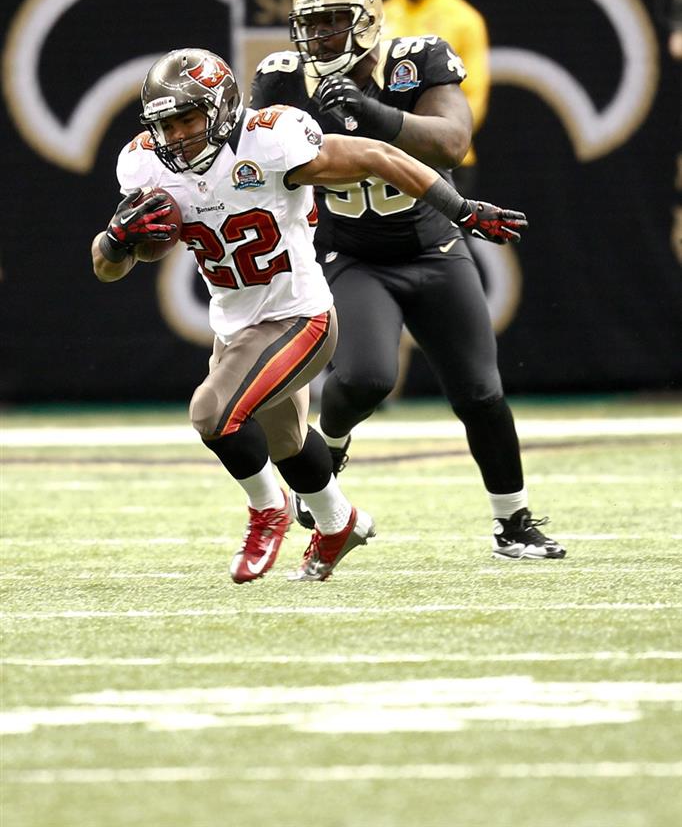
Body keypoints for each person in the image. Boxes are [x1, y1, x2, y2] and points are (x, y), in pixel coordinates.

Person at [91, 47, 529, 583]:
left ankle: (267, 510)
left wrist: (462, 211)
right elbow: (108, 269)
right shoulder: (145, 163)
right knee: (290, 445)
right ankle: (339, 521)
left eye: (189, 118)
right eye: (167, 123)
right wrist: (117, 241)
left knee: (212, 414)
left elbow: (377, 157)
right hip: (234, 324)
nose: (178, 135)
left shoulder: (271, 138)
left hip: (300, 315)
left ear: (223, 107)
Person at [250, 0, 566, 560]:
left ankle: (513, 522)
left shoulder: (416, 58)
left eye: (334, 22)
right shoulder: (282, 79)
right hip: (352, 253)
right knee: (367, 377)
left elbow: (452, 142)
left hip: (435, 248)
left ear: (368, 20)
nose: (318, 37)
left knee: (479, 393)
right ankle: (334, 440)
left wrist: (375, 114)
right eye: (310, 25)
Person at [383, 0, 490, 196]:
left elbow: (474, 98)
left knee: (448, 238)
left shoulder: (464, 19)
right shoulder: (382, 16)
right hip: (391, 156)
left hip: (448, 159)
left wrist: (437, 138)